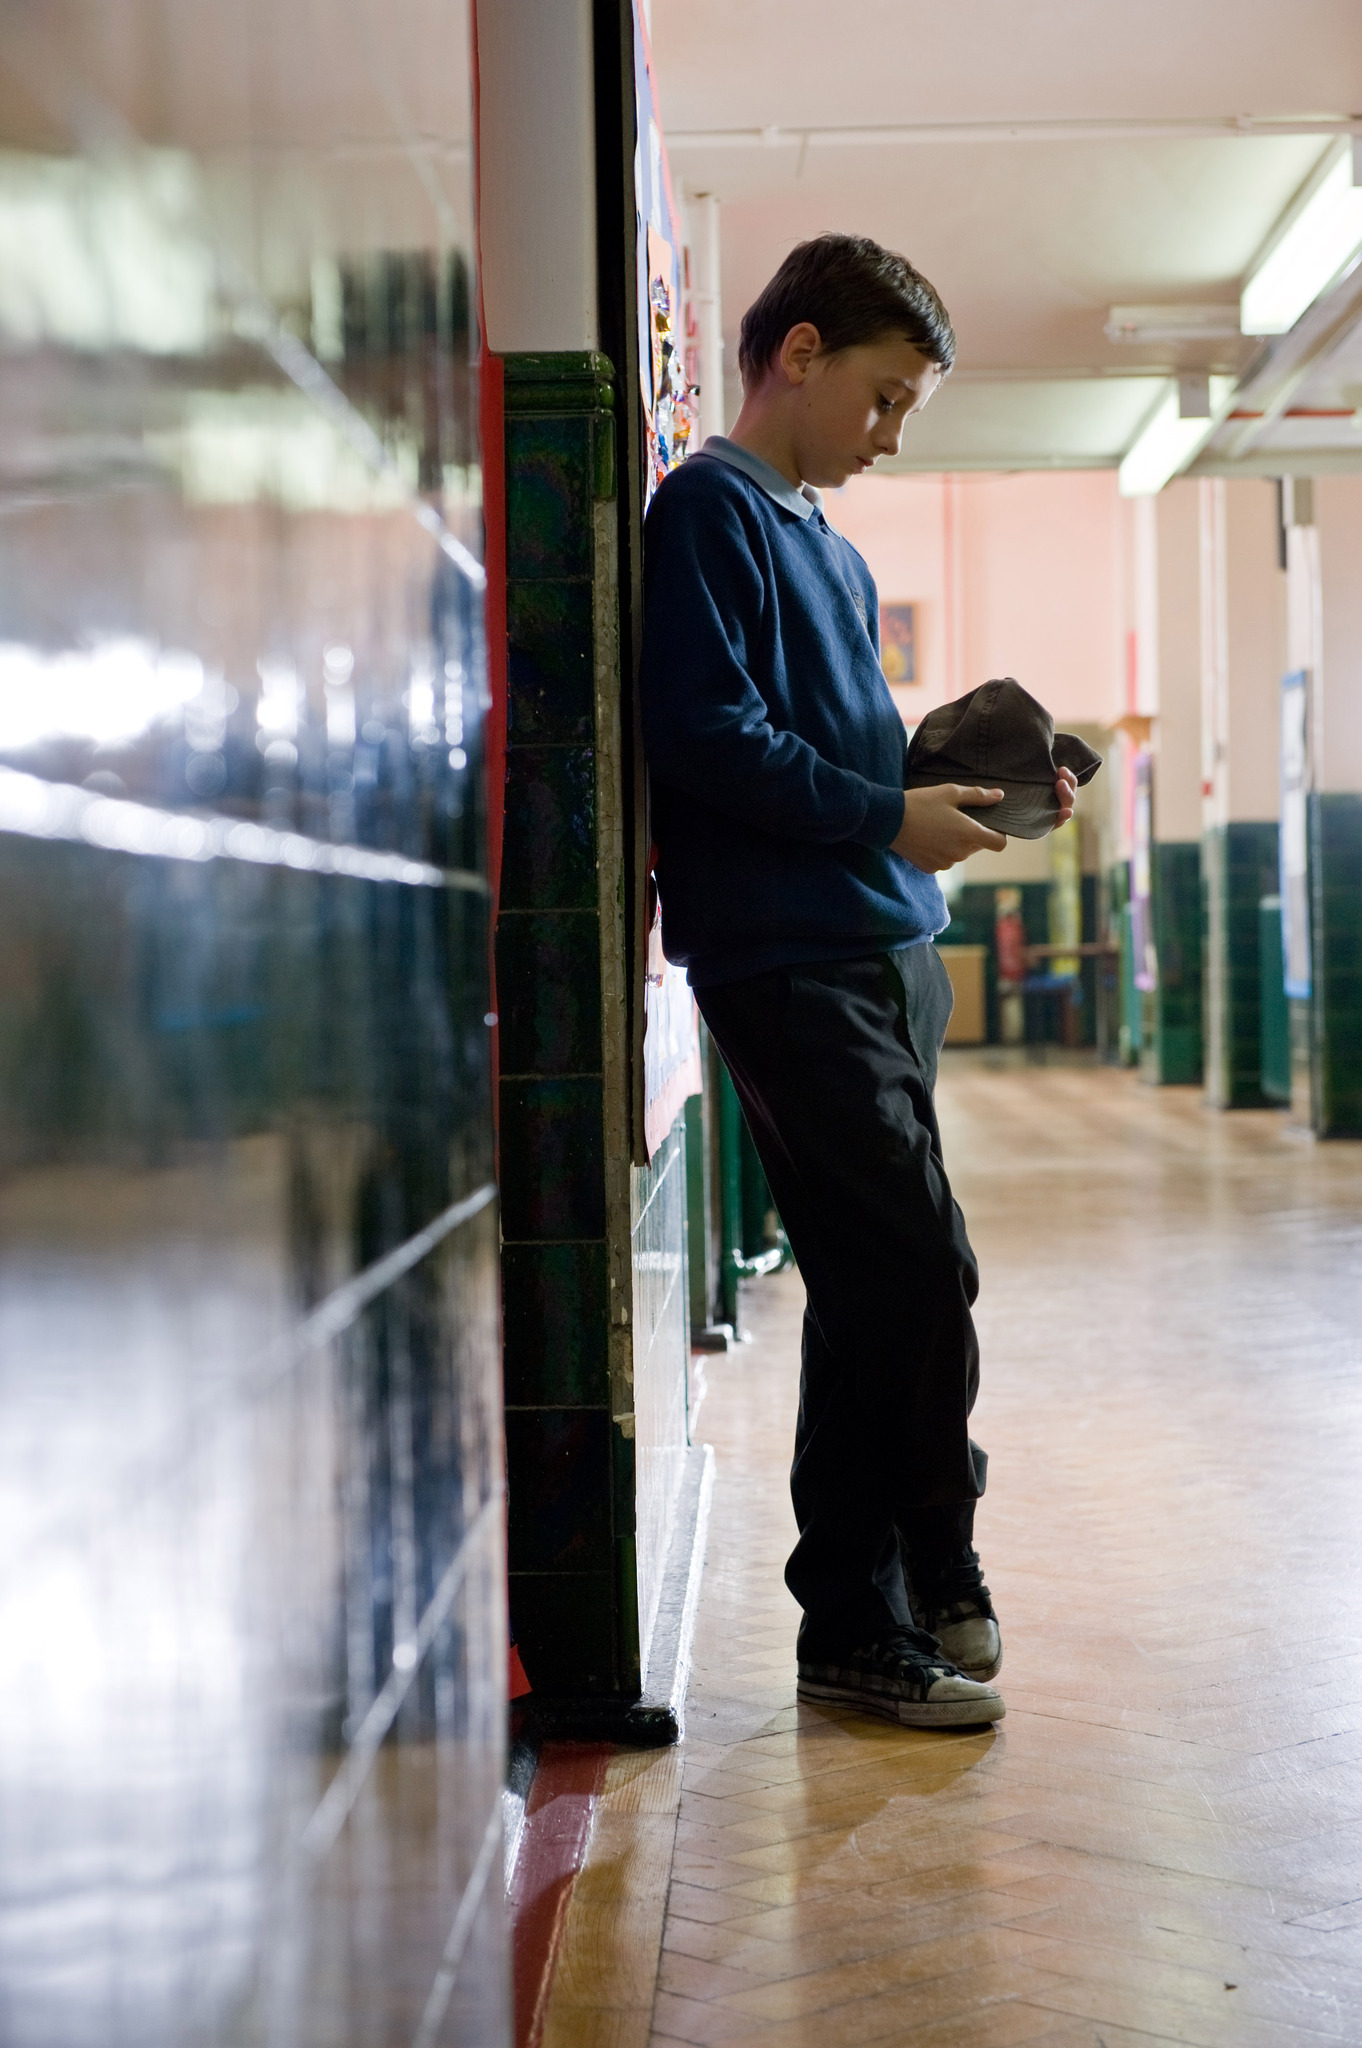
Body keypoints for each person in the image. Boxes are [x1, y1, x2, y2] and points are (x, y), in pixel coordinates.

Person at [639, 233, 1076, 1729]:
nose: (889, 439)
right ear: (801, 352)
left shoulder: (822, 537)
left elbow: (836, 757)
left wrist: (956, 791)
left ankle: (869, 1603)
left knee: (877, 1281)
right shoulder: (708, 511)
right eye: (884, 400)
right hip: (790, 955)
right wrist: (886, 814)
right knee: (911, 1269)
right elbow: (707, 739)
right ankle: (919, 1576)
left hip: (884, 948)